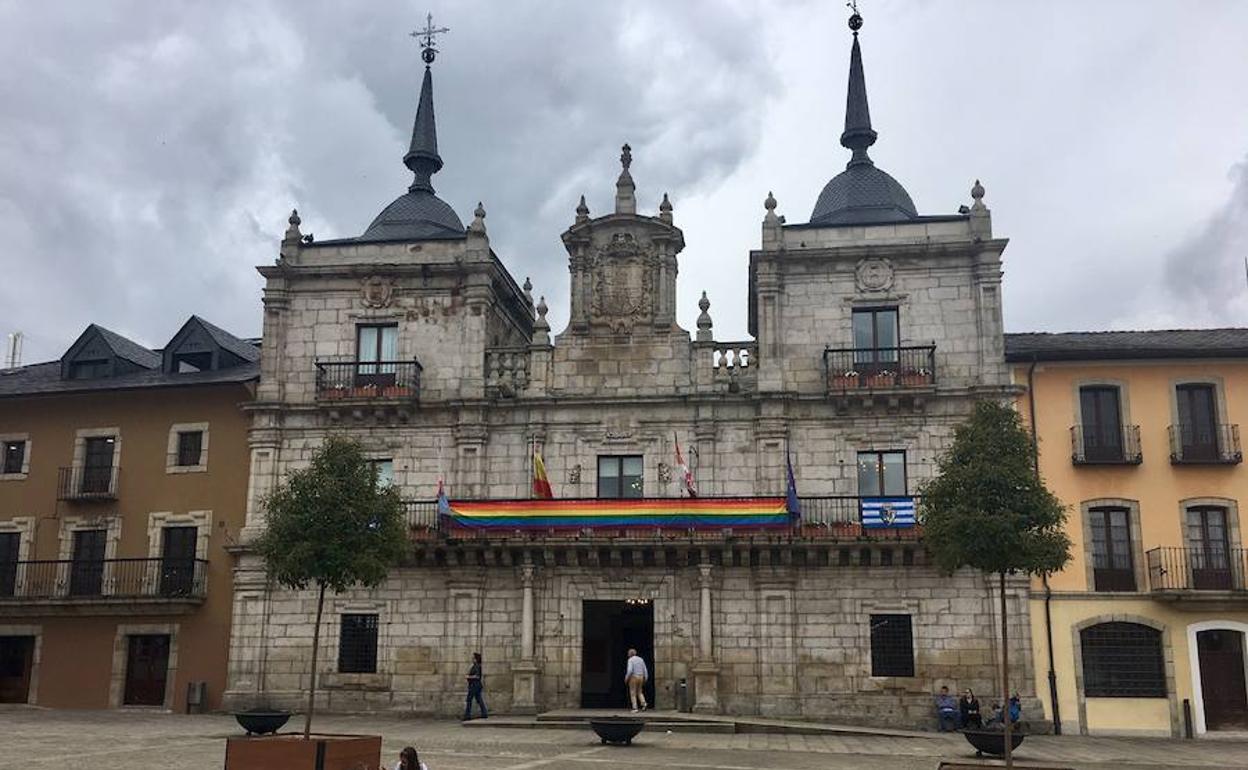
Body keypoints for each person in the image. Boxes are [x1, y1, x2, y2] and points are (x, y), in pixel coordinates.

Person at [463, 652, 487, 721]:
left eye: (473, 658)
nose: (472, 659)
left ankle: (467, 715)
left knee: (469, 700)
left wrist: (469, 677)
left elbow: (477, 676)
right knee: (479, 699)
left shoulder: (477, 666)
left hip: (474, 685)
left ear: (476, 659)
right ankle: (484, 713)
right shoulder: (476, 666)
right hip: (476, 685)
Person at [624, 647, 649, 713]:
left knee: (633, 693)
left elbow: (630, 670)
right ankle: (644, 704)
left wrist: (626, 678)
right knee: (640, 692)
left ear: (630, 654)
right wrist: (645, 677)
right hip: (641, 677)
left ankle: (635, 708)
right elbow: (645, 669)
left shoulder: (630, 660)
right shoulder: (641, 659)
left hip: (633, 677)